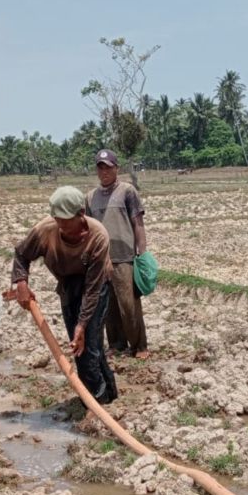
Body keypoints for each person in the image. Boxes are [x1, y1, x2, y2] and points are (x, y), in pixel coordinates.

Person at [11, 186, 119, 404]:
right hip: (68, 284)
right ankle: (104, 395)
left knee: (89, 342)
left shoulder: (98, 236)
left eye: (66, 220)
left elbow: (92, 289)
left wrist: (82, 324)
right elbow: (21, 253)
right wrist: (21, 283)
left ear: (81, 214)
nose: (61, 225)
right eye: (57, 219)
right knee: (80, 345)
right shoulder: (45, 229)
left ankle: (97, 401)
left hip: (97, 285)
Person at [85, 149, 149, 359]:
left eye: (108, 167)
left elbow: (137, 223)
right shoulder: (91, 197)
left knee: (128, 305)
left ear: (116, 168)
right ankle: (116, 344)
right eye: (100, 167)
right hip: (101, 259)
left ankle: (139, 346)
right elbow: (88, 228)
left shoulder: (127, 191)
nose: (104, 172)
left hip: (124, 257)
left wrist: (142, 253)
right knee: (108, 306)